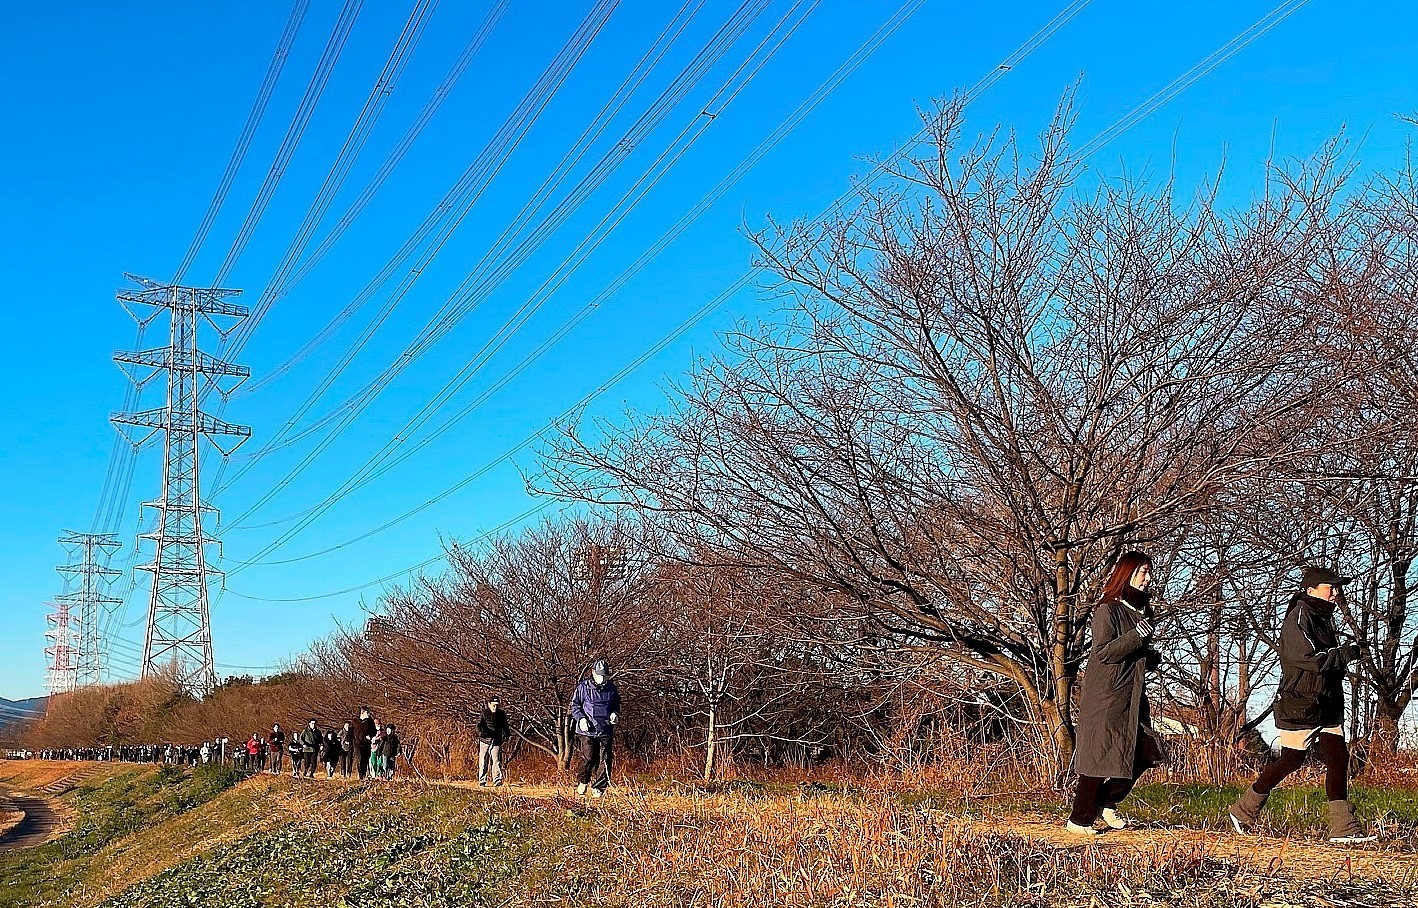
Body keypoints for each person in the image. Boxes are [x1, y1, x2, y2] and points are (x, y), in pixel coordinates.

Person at [1229, 567, 1376, 844]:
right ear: (1311, 590)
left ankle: (1343, 828)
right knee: (1291, 760)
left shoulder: (1322, 618)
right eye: (1329, 587)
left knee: (1338, 759)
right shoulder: (1298, 616)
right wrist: (1345, 653)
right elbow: (1309, 659)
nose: (1335, 592)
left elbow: (1326, 661)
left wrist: (1346, 655)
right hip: (1302, 703)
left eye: (1337, 587)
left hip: (1326, 704)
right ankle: (1243, 810)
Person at [1067, 551, 1166, 835]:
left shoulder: (1143, 612)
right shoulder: (1107, 610)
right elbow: (1105, 652)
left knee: (1148, 753)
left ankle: (1107, 802)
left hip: (1133, 695)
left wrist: (1149, 657)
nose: (1148, 578)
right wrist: (1137, 636)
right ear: (1127, 573)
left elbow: (1132, 652)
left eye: (1149, 572)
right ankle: (1080, 819)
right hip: (1108, 695)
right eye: (1142, 572)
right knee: (1100, 754)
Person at [570, 659, 620, 798]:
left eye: (605, 676)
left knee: (605, 758)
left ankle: (599, 787)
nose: (602, 678)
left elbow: (616, 705)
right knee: (589, 757)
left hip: (605, 729)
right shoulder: (583, 688)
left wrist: (615, 714)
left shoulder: (612, 689)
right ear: (593, 673)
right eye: (600, 675)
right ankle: (583, 781)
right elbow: (575, 706)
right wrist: (581, 718)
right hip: (587, 729)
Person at [477, 697, 510, 787]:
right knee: (483, 761)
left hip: (496, 741)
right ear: (489, 704)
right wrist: (481, 733)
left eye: (497, 705)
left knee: (496, 760)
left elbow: (505, 726)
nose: (495, 707)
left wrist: (507, 735)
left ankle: (497, 780)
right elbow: (479, 725)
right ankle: (482, 780)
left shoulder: (501, 714)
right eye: (494, 705)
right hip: (485, 740)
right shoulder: (484, 713)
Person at [355, 708, 377, 780]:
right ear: (363, 713)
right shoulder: (355, 721)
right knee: (359, 759)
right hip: (357, 744)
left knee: (365, 759)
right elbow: (351, 732)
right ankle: (361, 776)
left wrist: (370, 736)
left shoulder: (370, 722)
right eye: (367, 713)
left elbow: (374, 731)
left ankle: (364, 775)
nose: (369, 714)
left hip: (367, 744)